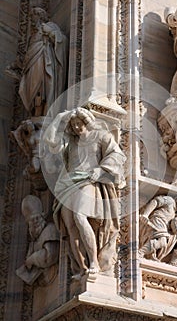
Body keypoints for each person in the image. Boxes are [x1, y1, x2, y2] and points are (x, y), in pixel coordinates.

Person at [43, 107, 126, 277]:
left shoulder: (102, 136)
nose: (76, 127)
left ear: (87, 121)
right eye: (73, 124)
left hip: (89, 180)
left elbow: (116, 155)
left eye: (78, 123)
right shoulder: (70, 141)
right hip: (67, 185)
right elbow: (50, 140)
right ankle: (83, 267)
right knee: (71, 228)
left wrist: (101, 170)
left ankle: (94, 262)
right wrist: (62, 115)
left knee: (80, 216)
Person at [8, 7, 67, 116]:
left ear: (40, 16)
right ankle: (35, 113)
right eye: (30, 16)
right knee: (30, 88)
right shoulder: (32, 36)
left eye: (32, 16)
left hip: (43, 60)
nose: (31, 19)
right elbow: (28, 54)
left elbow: (62, 39)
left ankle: (43, 112)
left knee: (42, 86)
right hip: (32, 63)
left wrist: (51, 33)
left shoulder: (49, 26)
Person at [16, 195, 59, 286]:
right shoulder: (34, 241)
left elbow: (49, 256)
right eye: (32, 220)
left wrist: (31, 259)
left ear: (42, 215)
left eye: (37, 218)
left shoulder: (50, 230)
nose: (35, 222)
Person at [139, 195, 177, 262]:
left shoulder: (174, 212)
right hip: (157, 221)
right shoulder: (170, 201)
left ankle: (153, 255)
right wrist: (146, 214)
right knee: (162, 242)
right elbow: (155, 201)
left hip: (163, 226)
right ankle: (140, 252)